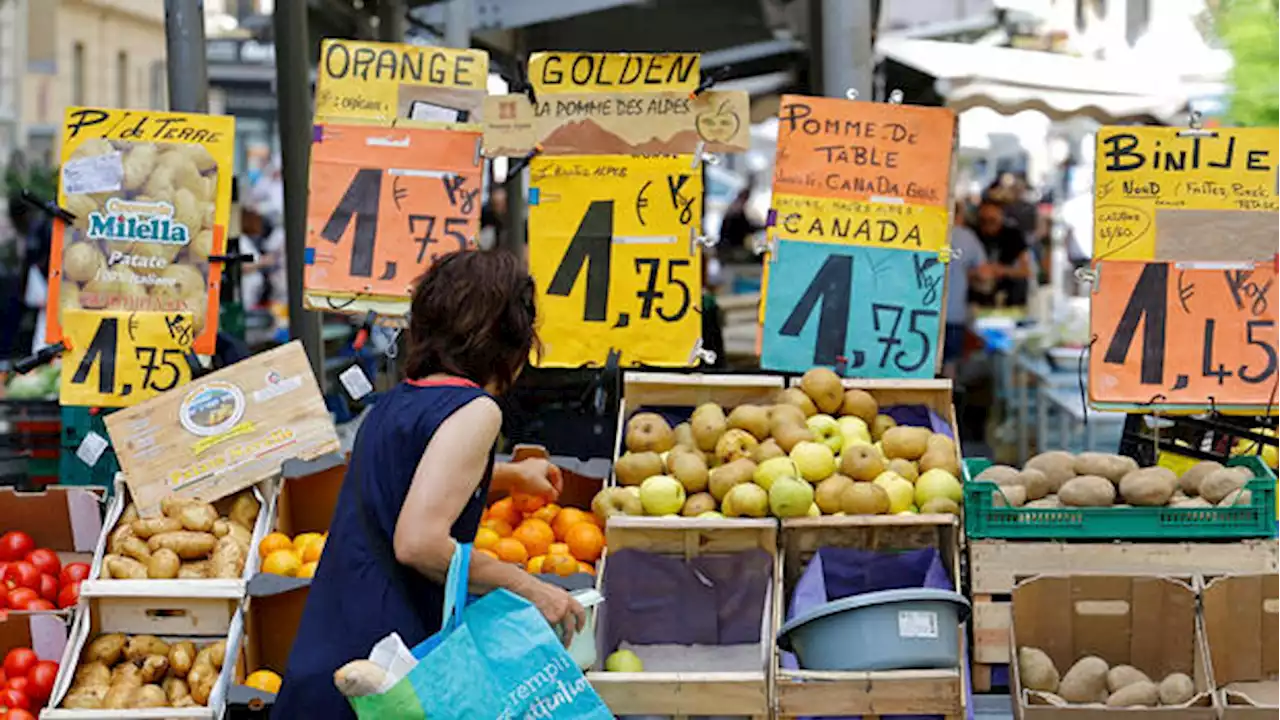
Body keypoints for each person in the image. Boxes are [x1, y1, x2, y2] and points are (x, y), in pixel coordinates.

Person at [274, 251, 586, 719]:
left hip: (331, 645)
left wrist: (509, 476)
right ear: (509, 337)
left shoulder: (393, 404)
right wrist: (527, 586)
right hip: (387, 669)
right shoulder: (477, 409)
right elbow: (418, 543)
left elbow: (405, 478)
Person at [943, 203, 990, 377]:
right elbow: (985, 275)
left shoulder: (924, 230)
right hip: (954, 313)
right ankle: (947, 402)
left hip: (921, 314)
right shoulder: (967, 238)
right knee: (949, 368)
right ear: (960, 215)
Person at [970, 199, 1033, 308]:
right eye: (983, 221)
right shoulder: (973, 234)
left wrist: (1000, 270)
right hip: (978, 299)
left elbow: (1026, 271)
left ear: (1001, 217)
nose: (988, 226)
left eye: (992, 220)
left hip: (1009, 298)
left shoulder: (1013, 236)